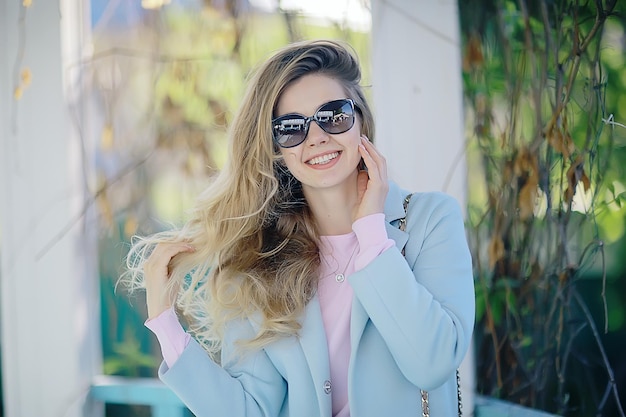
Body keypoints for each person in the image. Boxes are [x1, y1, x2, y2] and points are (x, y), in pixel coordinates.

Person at [122, 39, 475, 417]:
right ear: (276, 148)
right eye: (291, 128)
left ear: (361, 120)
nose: (318, 137)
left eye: (333, 115)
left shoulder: (430, 222)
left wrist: (372, 232)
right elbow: (249, 411)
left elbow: (433, 363)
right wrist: (165, 324)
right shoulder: (260, 259)